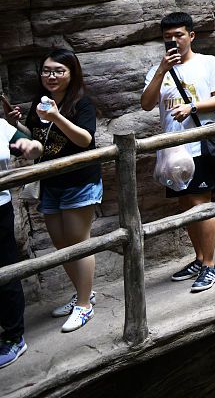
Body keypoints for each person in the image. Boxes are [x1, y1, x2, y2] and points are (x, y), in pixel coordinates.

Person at [10, 50, 101, 332]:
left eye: (58, 71)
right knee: (61, 244)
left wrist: (56, 116)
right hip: (50, 182)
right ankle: (83, 294)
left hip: (79, 181)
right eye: (47, 71)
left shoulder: (81, 102)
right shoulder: (40, 102)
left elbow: (85, 139)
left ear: (72, 73)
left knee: (78, 242)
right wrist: (17, 125)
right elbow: (36, 139)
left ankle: (84, 305)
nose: (51, 76)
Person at [140, 12, 215, 293]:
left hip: (199, 142)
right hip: (172, 148)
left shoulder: (207, 63)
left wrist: (192, 108)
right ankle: (199, 258)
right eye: (168, 37)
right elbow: (146, 104)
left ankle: (210, 265)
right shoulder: (159, 69)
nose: (174, 41)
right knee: (185, 205)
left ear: (191, 36)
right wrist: (160, 71)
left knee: (201, 203)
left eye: (179, 35)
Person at [0, 117, 43, 366]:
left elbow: (27, 145)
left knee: (5, 270)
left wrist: (32, 146)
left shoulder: (1, 127)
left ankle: (14, 336)